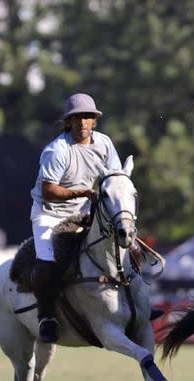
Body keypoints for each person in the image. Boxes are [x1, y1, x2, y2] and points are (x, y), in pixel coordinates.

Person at [30, 93, 121, 343]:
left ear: (94, 121)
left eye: (88, 117)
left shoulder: (104, 144)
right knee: (48, 265)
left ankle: (134, 302)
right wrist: (82, 192)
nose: (83, 122)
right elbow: (50, 191)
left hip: (82, 211)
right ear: (68, 122)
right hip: (49, 214)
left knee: (124, 243)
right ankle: (47, 317)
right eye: (77, 118)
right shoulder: (57, 150)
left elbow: (115, 176)